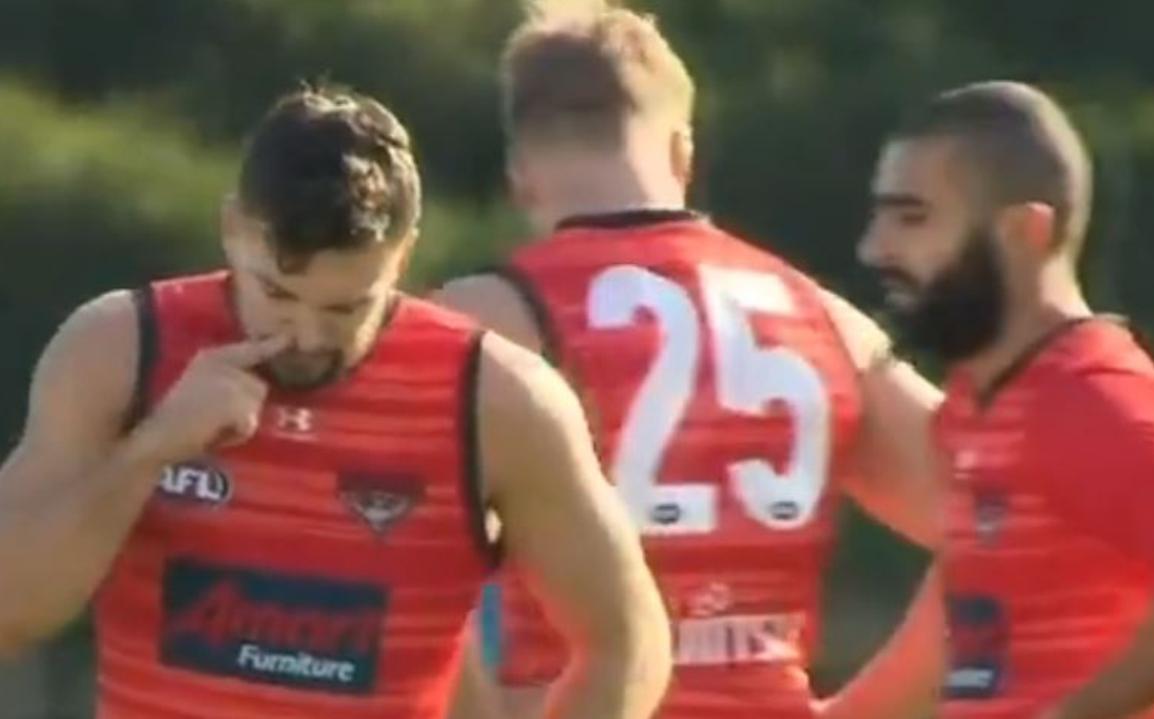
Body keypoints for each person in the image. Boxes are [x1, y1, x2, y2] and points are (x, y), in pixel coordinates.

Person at [0, 84, 671, 719]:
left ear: (402, 255)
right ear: (233, 227)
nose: (306, 337)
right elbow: (11, 611)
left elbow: (626, 642)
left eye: (347, 307)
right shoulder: (122, 347)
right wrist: (149, 450)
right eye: (278, 296)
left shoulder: (497, 398)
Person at [435, 6, 946, 719]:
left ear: (522, 173)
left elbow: (382, 561)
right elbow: (1011, 524)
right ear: (681, 151)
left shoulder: (482, 320)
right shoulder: (822, 317)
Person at [859, 79, 1154, 719]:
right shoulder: (978, 401)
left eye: (912, 218)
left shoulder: (1089, 398)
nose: (875, 249)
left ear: (1023, 231)